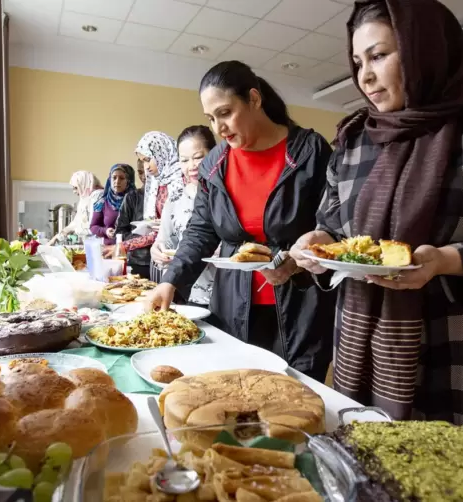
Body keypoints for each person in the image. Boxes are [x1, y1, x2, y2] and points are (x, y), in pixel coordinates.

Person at [289, 0, 463, 447]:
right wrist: (317, 244)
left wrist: (448, 260)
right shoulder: (354, 140)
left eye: (379, 56)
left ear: (425, 50)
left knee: (450, 471)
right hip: (362, 341)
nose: (365, 76)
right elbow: (333, 226)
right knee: (365, 459)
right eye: (358, 62)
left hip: (459, 345)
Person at [145, 61, 336, 381]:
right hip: (234, 306)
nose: (219, 128)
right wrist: (171, 280)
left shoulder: (309, 151)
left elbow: (332, 225)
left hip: (300, 308)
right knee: (239, 393)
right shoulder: (214, 165)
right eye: (211, 118)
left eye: (225, 113)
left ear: (254, 99)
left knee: (297, 399)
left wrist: (297, 261)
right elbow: (201, 230)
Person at [150, 126, 217, 305]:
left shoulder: (224, 196)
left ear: (214, 154)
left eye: (198, 157)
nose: (192, 166)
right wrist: (156, 250)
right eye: (184, 160)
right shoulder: (175, 198)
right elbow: (164, 240)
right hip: (182, 293)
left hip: (221, 294)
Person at [106, 132, 184, 267]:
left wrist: (125, 245)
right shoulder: (159, 184)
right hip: (161, 256)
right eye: (143, 162)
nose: (146, 167)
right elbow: (158, 232)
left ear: (162, 154)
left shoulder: (183, 181)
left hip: (182, 255)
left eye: (148, 159)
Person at [49, 171, 103, 244]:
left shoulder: (97, 196)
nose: (74, 192)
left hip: (99, 244)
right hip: (90, 243)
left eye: (76, 188)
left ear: (84, 184)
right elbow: (76, 222)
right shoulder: (85, 198)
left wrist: (75, 230)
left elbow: (92, 226)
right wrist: (56, 237)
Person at [90, 164, 135, 245]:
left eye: (121, 178)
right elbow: (93, 226)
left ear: (129, 181)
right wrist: (105, 231)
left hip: (131, 251)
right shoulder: (102, 202)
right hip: (109, 251)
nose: (117, 181)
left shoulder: (136, 201)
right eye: (114, 177)